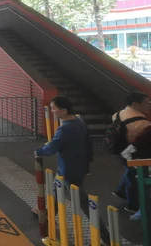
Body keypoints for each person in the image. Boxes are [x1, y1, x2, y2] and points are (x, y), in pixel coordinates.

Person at [35, 95, 111, 245]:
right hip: (76, 167)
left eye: (53, 108)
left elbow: (52, 148)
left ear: (63, 110)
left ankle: (106, 238)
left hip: (69, 171)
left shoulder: (65, 129)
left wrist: (38, 151)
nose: (51, 111)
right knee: (57, 192)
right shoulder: (79, 121)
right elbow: (87, 144)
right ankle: (48, 216)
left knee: (84, 203)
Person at [111, 92, 151, 214]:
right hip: (134, 152)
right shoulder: (142, 124)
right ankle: (132, 205)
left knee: (129, 171)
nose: (149, 104)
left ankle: (120, 191)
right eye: (146, 102)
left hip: (120, 149)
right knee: (133, 176)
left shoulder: (118, 114)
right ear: (135, 104)